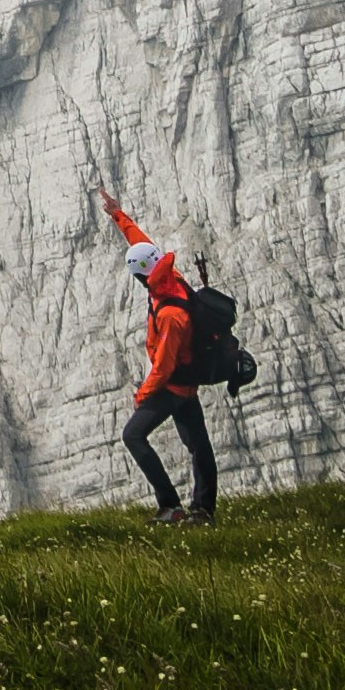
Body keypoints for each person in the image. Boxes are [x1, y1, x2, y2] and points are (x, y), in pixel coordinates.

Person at [101, 190, 215, 520]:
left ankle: (170, 505)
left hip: (173, 387)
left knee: (133, 435)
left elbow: (164, 366)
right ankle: (204, 510)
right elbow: (143, 245)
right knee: (198, 445)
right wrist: (118, 215)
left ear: (140, 277)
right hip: (186, 382)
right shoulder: (169, 276)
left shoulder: (169, 314)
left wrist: (143, 395)